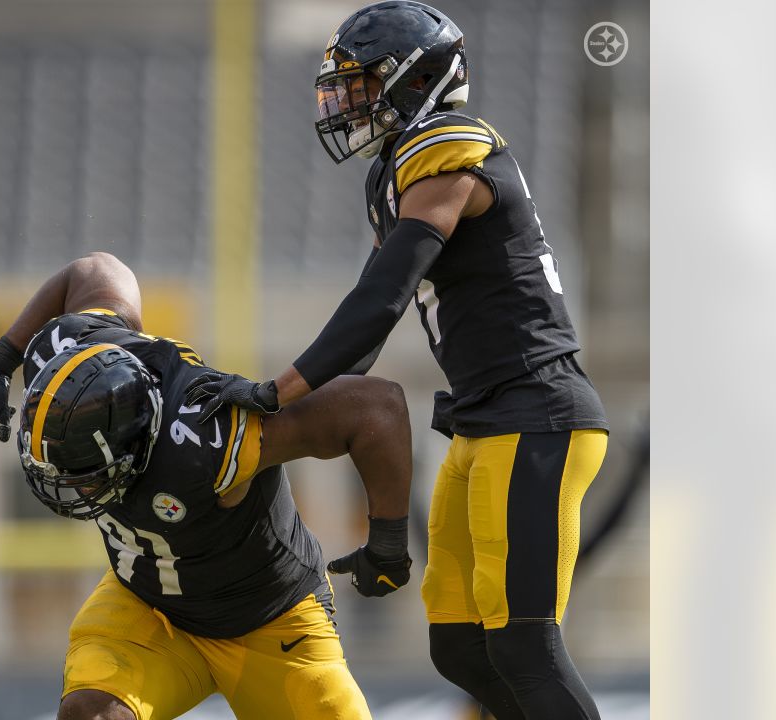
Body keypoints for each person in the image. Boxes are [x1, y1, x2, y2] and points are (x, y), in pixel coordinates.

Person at [184, 3, 610, 719]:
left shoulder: (450, 148)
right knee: (460, 645)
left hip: (537, 412)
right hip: (489, 417)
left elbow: (380, 300)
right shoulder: (400, 170)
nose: (345, 100)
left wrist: (277, 390)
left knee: (525, 646)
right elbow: (372, 335)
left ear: (417, 81)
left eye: (361, 82)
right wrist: (384, 536)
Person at [0, 252, 415, 720]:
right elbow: (96, 270)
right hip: (147, 606)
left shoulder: (210, 438)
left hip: (271, 622)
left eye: (89, 474)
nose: (78, 490)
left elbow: (377, 407)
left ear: (135, 444)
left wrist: (387, 542)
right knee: (91, 715)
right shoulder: (65, 353)